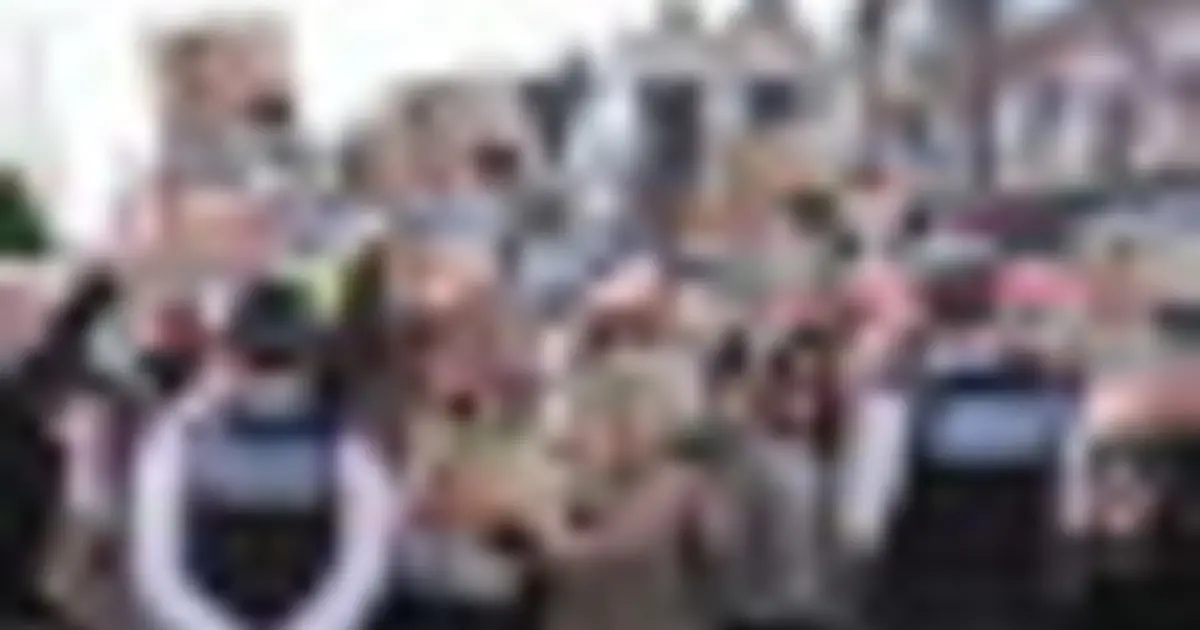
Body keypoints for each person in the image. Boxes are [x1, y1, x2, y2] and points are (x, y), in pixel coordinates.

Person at [129, 276, 395, 630]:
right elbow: (158, 571)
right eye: (263, 360)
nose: (272, 379)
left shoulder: (345, 447)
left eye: (282, 361)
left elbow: (361, 568)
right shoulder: (180, 440)